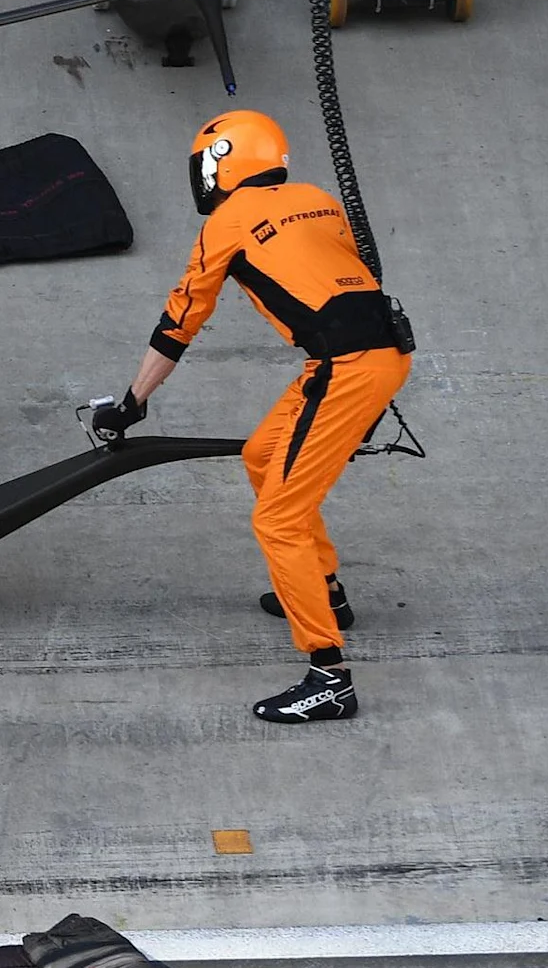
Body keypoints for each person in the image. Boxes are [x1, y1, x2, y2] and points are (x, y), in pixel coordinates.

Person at [90, 109, 413, 724]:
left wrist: (133, 401)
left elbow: (181, 319)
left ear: (222, 162)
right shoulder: (317, 198)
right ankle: (327, 593)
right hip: (375, 356)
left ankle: (328, 676)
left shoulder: (227, 223)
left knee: (277, 520)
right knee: (262, 456)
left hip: (347, 368)